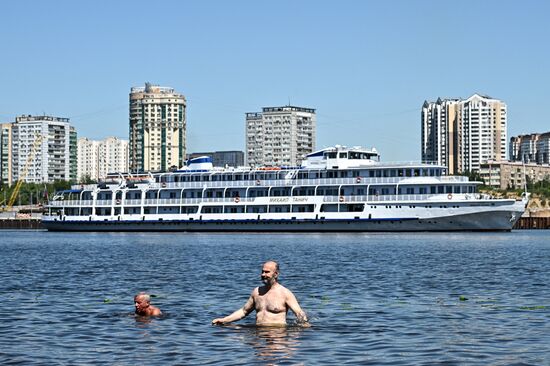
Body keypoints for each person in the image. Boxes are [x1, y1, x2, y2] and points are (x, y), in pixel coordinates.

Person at [212, 261, 309, 326]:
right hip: (259, 336)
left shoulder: (285, 293)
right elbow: (243, 312)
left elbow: (299, 313)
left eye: (267, 272)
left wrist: (305, 324)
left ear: (276, 274)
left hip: (277, 336)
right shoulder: (257, 292)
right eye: (262, 272)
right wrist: (224, 320)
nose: (263, 275)